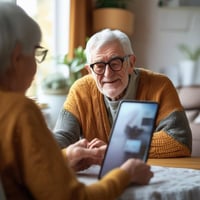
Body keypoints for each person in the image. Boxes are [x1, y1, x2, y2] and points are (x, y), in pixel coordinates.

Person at [0, 2, 154, 199]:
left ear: (130, 63)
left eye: (115, 63)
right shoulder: (19, 111)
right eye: (36, 53)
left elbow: (19, 170)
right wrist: (125, 174)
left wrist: (65, 158)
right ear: (16, 58)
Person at [54, 28, 192, 159]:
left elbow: (179, 140)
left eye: (115, 63)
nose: (108, 74)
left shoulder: (160, 86)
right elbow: (63, 136)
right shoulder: (80, 91)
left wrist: (114, 148)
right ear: (90, 71)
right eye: (99, 66)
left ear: (131, 63)